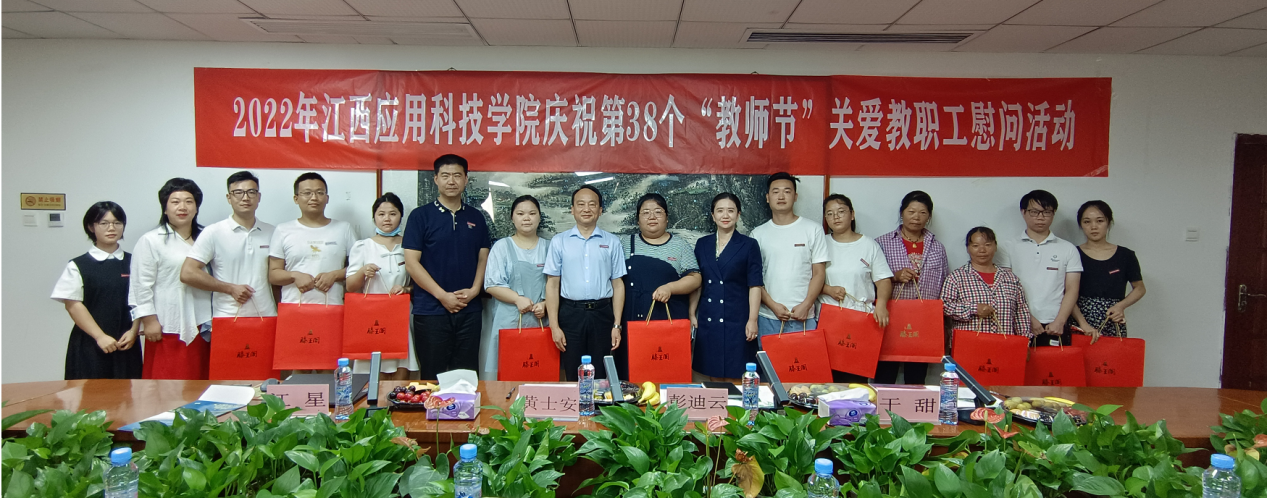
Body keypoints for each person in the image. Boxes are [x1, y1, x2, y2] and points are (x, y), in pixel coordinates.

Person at [403, 155, 491, 381]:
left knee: (467, 375)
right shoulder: (420, 216)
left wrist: (474, 290)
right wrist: (442, 296)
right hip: (431, 310)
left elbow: (483, 257)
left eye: (457, 175)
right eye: (445, 175)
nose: (451, 181)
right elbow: (412, 263)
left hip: (469, 308)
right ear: (435, 179)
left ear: (466, 179)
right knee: (433, 375)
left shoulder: (476, 217)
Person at [130, 178, 214, 380]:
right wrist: (149, 320)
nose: (182, 207)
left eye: (189, 201)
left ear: (196, 208)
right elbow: (140, 285)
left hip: (204, 323)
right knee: (167, 383)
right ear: (165, 208)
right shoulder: (152, 240)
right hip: (167, 323)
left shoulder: (207, 237)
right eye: (175, 202)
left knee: (202, 381)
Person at [51, 202, 142, 379]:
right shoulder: (79, 265)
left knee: (129, 393)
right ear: (91, 227)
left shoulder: (135, 262)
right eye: (103, 223)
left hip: (127, 342)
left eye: (117, 223)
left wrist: (134, 331)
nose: (111, 228)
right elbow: (73, 305)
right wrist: (100, 337)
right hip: (90, 343)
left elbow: (142, 298)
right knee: (89, 393)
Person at [544, 185, 626, 381]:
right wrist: (554, 327)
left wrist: (617, 325)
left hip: (602, 314)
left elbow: (618, 285)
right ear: (572, 209)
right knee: (573, 372)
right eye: (581, 204)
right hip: (571, 315)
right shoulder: (559, 241)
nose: (586, 209)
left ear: (600, 210)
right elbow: (552, 285)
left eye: (592, 204)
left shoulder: (612, 242)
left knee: (601, 374)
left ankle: (599, 403)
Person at [618, 193, 701, 376]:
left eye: (658, 212)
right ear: (638, 219)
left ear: (667, 217)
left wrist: (670, 288)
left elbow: (695, 278)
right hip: (632, 319)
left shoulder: (680, 245)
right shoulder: (626, 244)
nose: (652, 217)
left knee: (666, 371)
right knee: (632, 373)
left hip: (668, 320)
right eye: (645, 212)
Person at [182, 171, 278, 322]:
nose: (245, 198)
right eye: (238, 192)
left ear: (258, 197)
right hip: (227, 316)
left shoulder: (273, 232)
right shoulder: (214, 232)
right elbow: (188, 273)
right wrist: (230, 288)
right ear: (229, 198)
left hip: (267, 315)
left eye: (251, 192)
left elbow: (278, 276)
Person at [819, 194, 894, 383]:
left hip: (860, 320)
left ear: (852, 215)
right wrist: (827, 289)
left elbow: (883, 280)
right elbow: (807, 279)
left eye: (841, 211)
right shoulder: (820, 243)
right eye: (830, 213)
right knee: (828, 380)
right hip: (828, 319)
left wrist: (881, 305)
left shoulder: (869, 245)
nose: (836, 217)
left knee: (856, 381)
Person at [876, 190, 948, 384]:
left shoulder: (937, 248)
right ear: (902, 213)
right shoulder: (882, 243)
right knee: (885, 376)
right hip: (889, 319)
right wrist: (894, 277)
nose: (916, 217)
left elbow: (944, 283)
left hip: (923, 322)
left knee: (917, 379)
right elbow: (869, 280)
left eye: (923, 213)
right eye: (911, 211)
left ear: (929, 216)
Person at [689, 193, 763, 381]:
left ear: (738, 215)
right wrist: (692, 313)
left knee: (737, 374)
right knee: (712, 374)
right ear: (713, 215)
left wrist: (752, 319)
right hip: (709, 317)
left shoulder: (749, 245)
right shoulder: (702, 244)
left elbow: (755, 285)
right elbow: (697, 282)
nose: (725, 215)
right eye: (720, 210)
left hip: (737, 319)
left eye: (731, 210)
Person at [997, 189, 1082, 347]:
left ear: (1053, 214)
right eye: (1034, 212)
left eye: (1046, 212)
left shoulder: (1068, 248)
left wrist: (1060, 321)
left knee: (1053, 364)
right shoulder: (1007, 247)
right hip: (1016, 321)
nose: (1040, 217)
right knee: (1017, 363)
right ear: (1023, 212)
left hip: (1054, 324)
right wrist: (1028, 318)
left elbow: (1072, 289)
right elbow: (1006, 289)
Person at [750, 172, 828, 342]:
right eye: (775, 191)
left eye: (787, 191)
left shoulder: (813, 229)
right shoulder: (757, 234)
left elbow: (819, 273)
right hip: (768, 317)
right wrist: (773, 306)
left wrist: (806, 305)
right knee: (769, 361)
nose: (781, 196)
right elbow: (754, 278)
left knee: (804, 360)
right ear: (767, 198)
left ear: (795, 196)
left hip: (804, 317)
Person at [347, 192, 416, 379]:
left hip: (401, 314)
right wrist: (363, 272)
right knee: (372, 370)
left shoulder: (410, 245)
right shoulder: (363, 246)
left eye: (393, 214)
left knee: (402, 365)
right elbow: (350, 286)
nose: (387, 219)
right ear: (374, 218)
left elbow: (418, 282)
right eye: (381, 214)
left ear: (401, 216)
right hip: (371, 316)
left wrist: (406, 289)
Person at [483, 195, 550, 376]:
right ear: (512, 218)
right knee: (508, 371)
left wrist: (546, 304)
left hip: (541, 320)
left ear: (540, 217)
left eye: (532, 213)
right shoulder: (502, 247)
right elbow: (491, 284)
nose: (526, 218)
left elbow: (557, 284)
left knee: (540, 370)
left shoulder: (550, 247)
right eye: (520, 214)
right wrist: (517, 299)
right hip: (509, 319)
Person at [268, 172, 358, 304]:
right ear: (296, 198)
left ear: (327, 198)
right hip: (294, 306)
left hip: (333, 306)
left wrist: (334, 275)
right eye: (307, 193)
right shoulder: (283, 230)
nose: (314, 197)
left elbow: (358, 267)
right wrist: (295, 275)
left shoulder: (344, 229)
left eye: (320, 193)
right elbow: (273, 274)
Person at [942, 227, 1034, 339]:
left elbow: (1021, 312)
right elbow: (944, 306)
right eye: (975, 246)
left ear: (995, 246)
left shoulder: (1011, 279)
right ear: (968, 248)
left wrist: (1024, 341)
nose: (982, 250)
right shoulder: (956, 277)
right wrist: (974, 309)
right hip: (970, 344)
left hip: (1004, 344)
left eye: (988, 245)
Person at [1072, 201, 1145, 339]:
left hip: (1112, 319)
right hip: (1079, 321)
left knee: (1112, 353)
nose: (1094, 226)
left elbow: (1140, 288)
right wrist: (1083, 323)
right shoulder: (1072, 253)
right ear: (1081, 225)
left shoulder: (1125, 255)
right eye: (1087, 222)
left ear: (1109, 222)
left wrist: (1120, 306)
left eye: (1100, 221)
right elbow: (1066, 293)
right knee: (1080, 353)